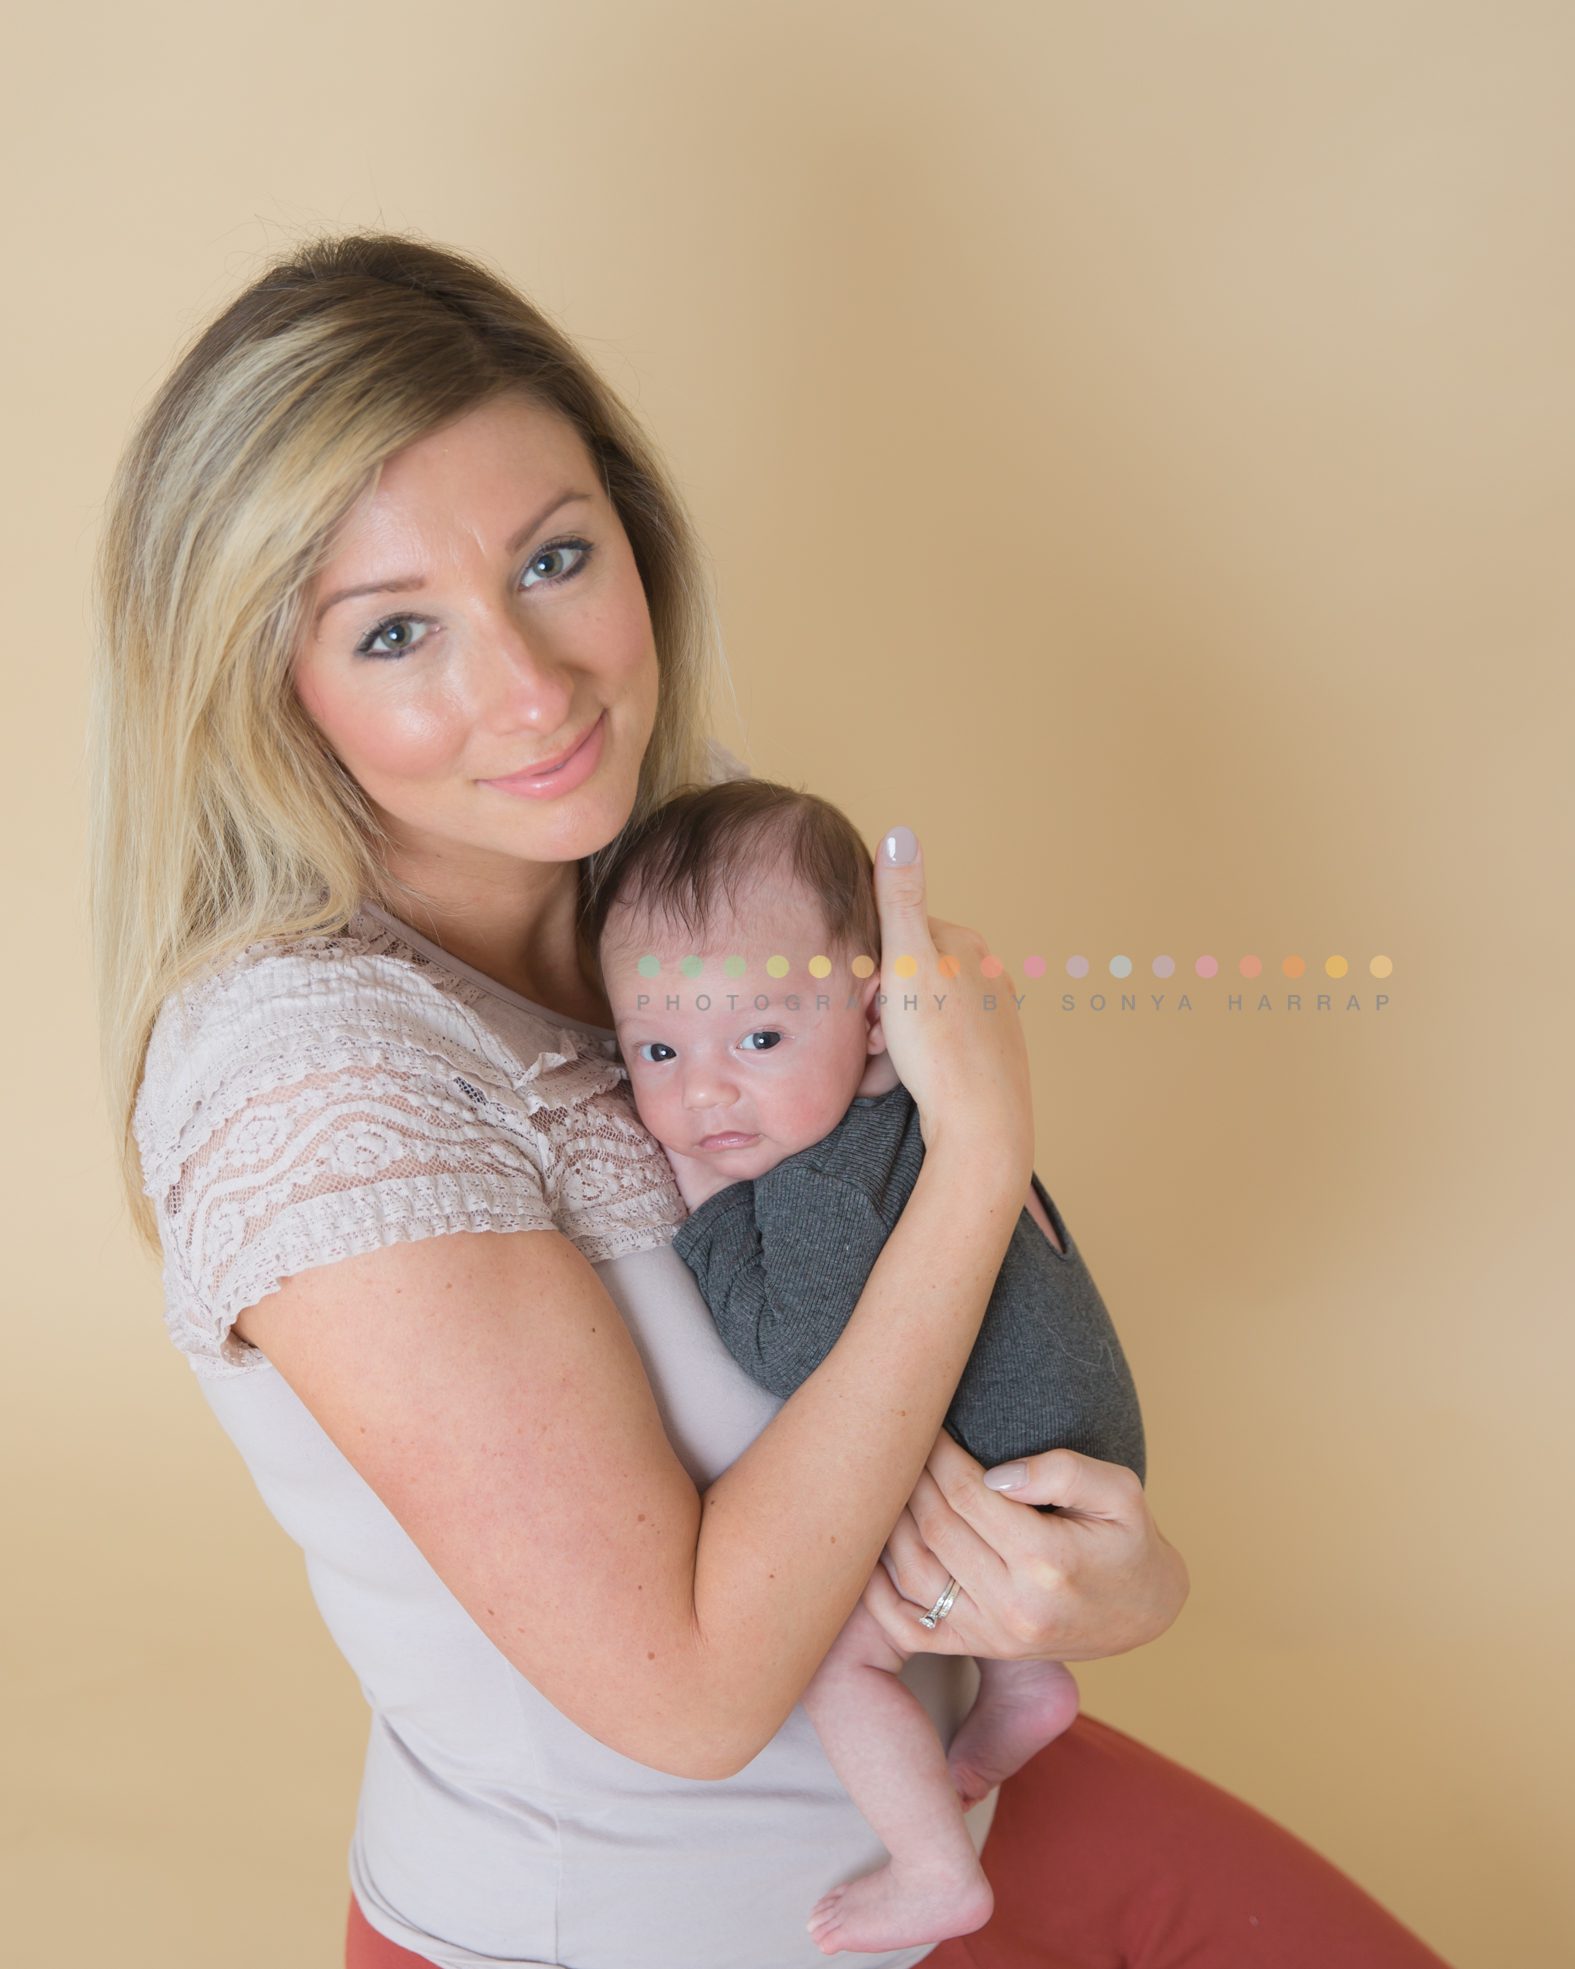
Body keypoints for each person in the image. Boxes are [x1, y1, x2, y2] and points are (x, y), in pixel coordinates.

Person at [87, 230, 1454, 1969]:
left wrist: (1110, 1583)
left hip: (957, 1789)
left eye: (557, 559)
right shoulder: (314, 1081)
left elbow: (957, 1317)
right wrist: (980, 1157)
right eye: (398, 630)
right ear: (257, 686)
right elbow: (690, 1689)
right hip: (673, 1930)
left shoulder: (672, 865)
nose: (532, 687)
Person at [586, 776, 1145, 1954]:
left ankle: (937, 1866)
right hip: (1074, 1436)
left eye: (760, 1036)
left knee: (838, 1659)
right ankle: (1022, 1686)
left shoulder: (829, 1181)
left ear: (876, 1022)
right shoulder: (894, 1112)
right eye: (656, 1046)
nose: (704, 1090)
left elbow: (793, 1351)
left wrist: (701, 1200)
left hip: (1027, 1461)